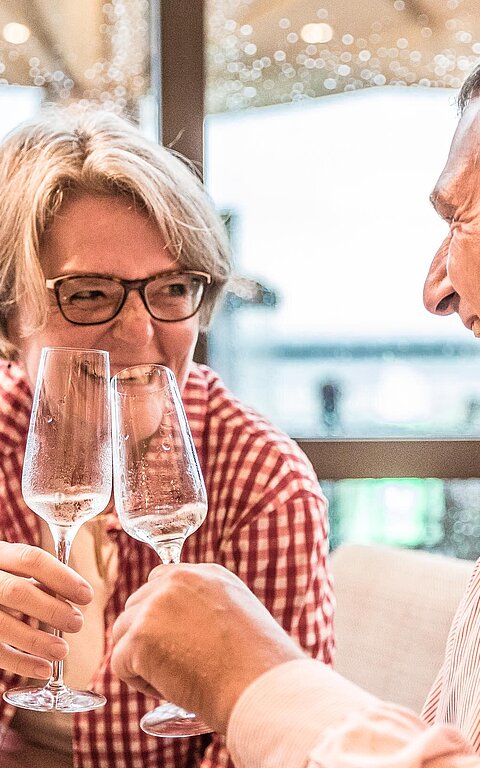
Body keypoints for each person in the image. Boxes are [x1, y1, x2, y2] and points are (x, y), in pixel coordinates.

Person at [108, 63, 480, 767]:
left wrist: (255, 685)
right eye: (89, 294)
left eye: (463, 216)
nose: (432, 292)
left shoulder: (258, 475)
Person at [0, 108, 334, 767]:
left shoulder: (262, 483)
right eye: (90, 293)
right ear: (11, 311)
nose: (138, 332)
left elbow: (285, 750)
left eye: (171, 289)